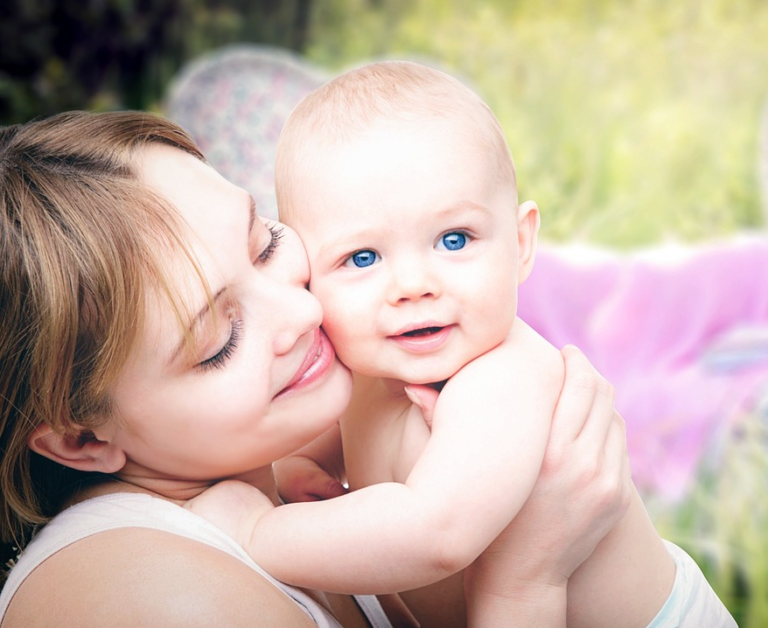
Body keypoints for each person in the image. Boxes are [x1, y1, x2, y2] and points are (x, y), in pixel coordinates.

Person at [0, 109, 631, 627]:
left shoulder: (268, 475)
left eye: (266, 243)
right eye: (220, 340)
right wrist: (523, 582)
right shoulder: (147, 599)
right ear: (82, 438)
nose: (302, 309)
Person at [185, 61, 736, 628]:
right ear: (309, 272)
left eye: (454, 239)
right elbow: (330, 435)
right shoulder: (367, 369)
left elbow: (435, 533)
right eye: (363, 258)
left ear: (521, 245)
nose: (414, 285)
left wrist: (256, 530)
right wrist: (298, 463)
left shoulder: (504, 378)